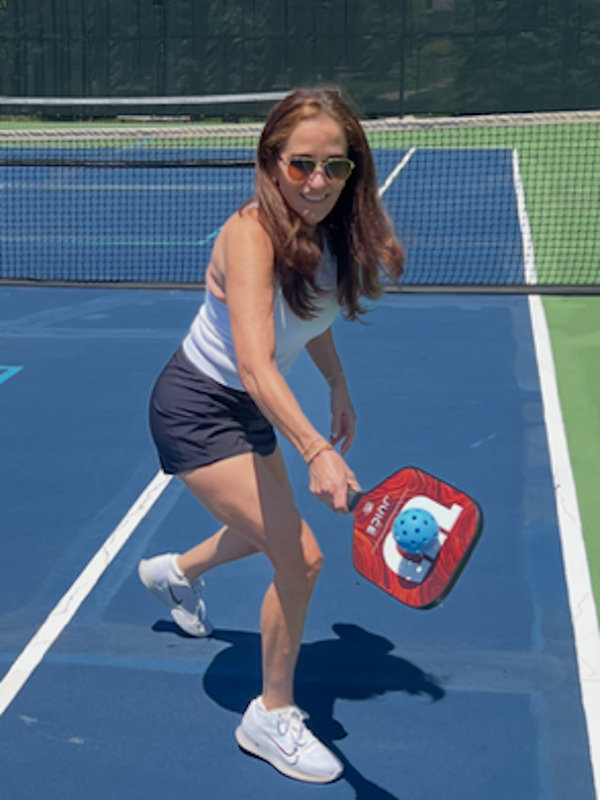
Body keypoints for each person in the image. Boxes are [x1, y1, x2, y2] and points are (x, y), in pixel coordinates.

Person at [139, 87, 404, 783]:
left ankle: (175, 573)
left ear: (353, 169)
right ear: (271, 161)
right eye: (301, 164)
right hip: (198, 407)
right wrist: (315, 449)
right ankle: (269, 714)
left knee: (270, 530)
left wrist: (337, 383)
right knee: (301, 557)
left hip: (247, 406)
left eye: (335, 166)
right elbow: (256, 364)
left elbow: (308, 317)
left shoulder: (330, 232)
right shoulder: (250, 235)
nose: (317, 181)